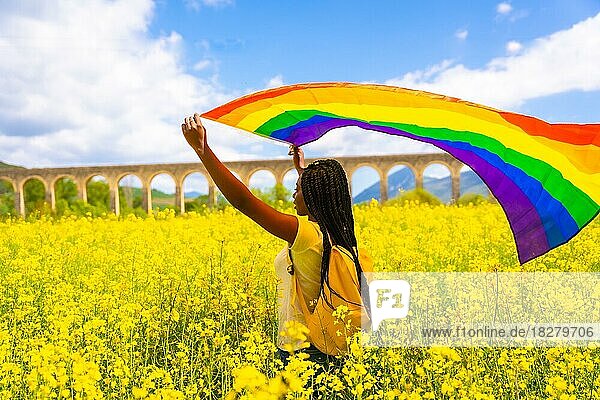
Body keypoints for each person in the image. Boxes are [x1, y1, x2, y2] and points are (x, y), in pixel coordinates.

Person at [181, 113, 366, 370]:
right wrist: (302, 170)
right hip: (329, 347)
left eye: (298, 188)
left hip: (303, 353)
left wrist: (203, 150)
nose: (293, 193)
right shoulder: (337, 235)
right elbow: (320, 193)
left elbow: (245, 202)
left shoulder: (305, 234)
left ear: (312, 196)